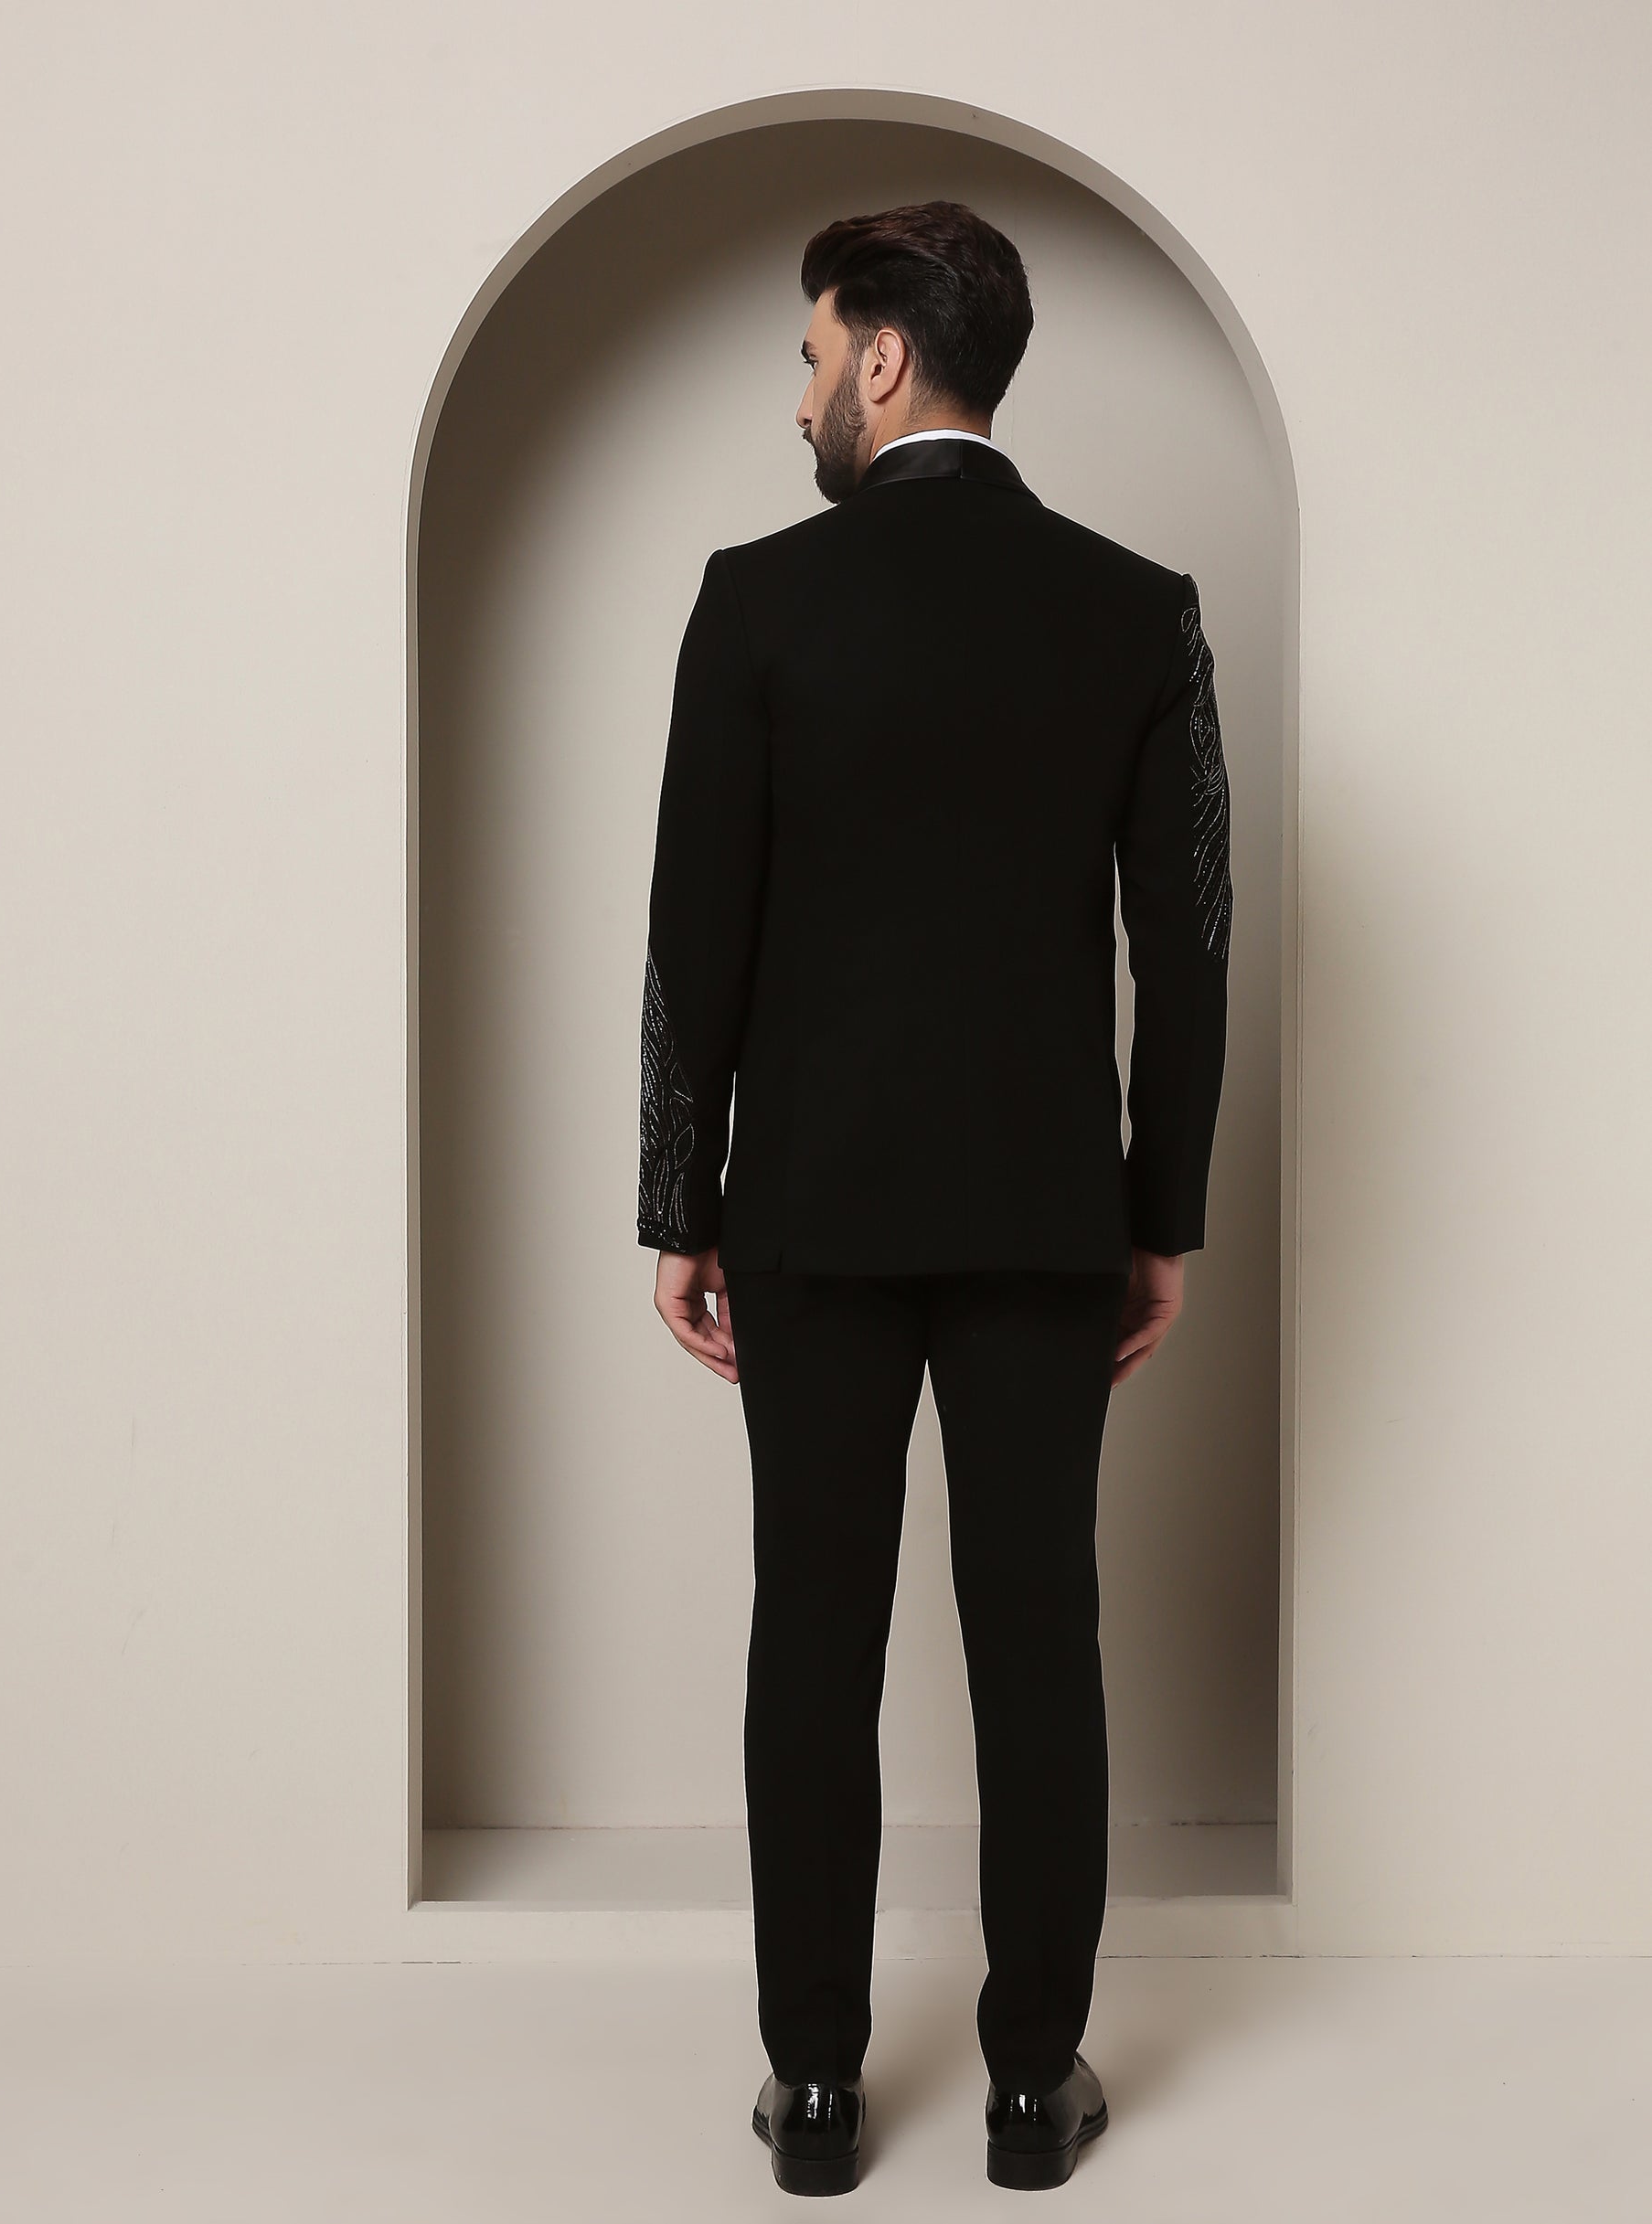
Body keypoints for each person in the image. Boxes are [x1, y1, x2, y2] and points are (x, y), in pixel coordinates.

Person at [635, 198, 1231, 2196]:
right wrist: (1160, 1215)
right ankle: (1029, 2086)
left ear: (885, 358)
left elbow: (693, 930)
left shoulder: (752, 598)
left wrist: (677, 1199)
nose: (802, 391)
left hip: (806, 1211)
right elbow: (1190, 946)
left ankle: (814, 2089)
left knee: (810, 1631)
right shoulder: (1135, 608)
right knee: (1036, 1632)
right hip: (1045, 1213)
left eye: (813, 354)